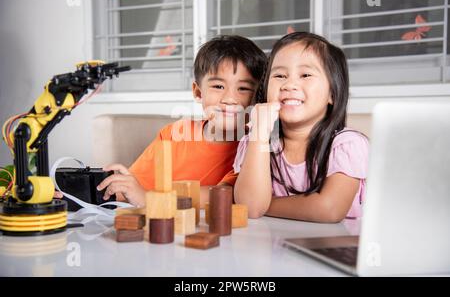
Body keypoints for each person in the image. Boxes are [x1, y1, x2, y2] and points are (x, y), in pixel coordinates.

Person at [96, 35, 267, 208]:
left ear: (257, 98)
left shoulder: (253, 148)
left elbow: (227, 196)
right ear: (198, 92)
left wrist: (149, 199)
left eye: (243, 89)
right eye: (218, 86)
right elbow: (132, 190)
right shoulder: (173, 134)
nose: (230, 99)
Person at [233, 32, 369, 223]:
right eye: (280, 75)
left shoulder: (347, 145)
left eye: (305, 75)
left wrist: (265, 204)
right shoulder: (254, 142)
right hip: (273, 246)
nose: (289, 84)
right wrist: (259, 134)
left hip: (335, 247)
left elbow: (329, 209)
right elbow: (251, 208)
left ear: (333, 94)